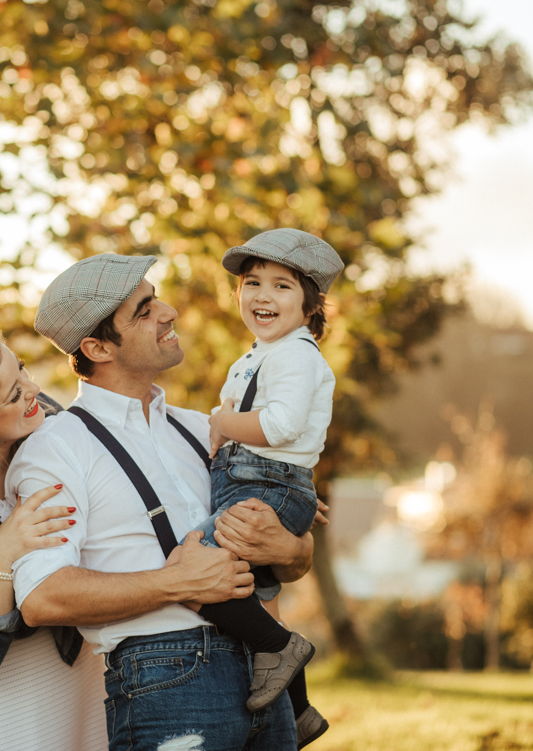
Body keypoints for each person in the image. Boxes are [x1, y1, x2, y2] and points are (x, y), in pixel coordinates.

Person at [0, 318, 254, 750]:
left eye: (23, 369)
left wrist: (266, 488)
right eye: (13, 394)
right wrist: (2, 550)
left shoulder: (56, 433)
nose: (33, 390)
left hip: (76, 678)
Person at [6, 253, 323, 751]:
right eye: (144, 309)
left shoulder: (206, 428)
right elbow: (43, 596)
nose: (169, 312)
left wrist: (289, 548)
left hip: (268, 679)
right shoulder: (56, 449)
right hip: (166, 679)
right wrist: (174, 581)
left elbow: (294, 558)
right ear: (96, 347)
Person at [198, 228, 345, 748]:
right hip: (256, 480)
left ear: (310, 306)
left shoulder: (296, 356)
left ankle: (283, 647)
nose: (262, 295)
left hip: (267, 482)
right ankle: (299, 709)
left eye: (282, 286)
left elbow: (280, 426)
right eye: (252, 282)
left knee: (202, 572)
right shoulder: (258, 355)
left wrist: (221, 422)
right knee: (256, 599)